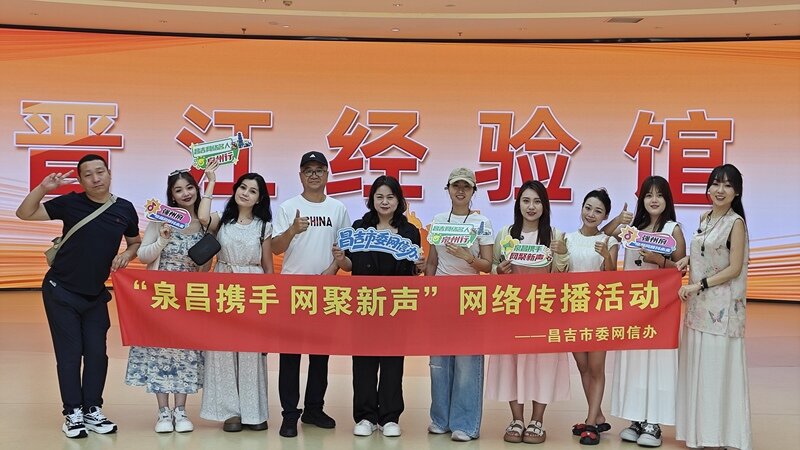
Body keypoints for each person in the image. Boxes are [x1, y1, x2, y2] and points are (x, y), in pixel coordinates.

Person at [15, 154, 141, 439]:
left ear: (109, 173)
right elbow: (24, 213)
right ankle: (72, 413)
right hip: (61, 290)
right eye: (88, 174)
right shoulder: (70, 203)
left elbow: (134, 242)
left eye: (100, 172)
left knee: (97, 355)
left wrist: (128, 254)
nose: (96, 178)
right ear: (81, 180)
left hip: (95, 295)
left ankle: (92, 409)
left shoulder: (124, 208)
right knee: (70, 356)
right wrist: (43, 188)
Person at [332, 176, 425, 438]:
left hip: (396, 307)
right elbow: (350, 265)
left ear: (399, 201)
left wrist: (419, 267)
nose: (385, 202)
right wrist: (341, 259)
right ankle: (365, 416)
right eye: (379, 197)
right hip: (365, 304)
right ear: (372, 200)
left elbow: (412, 271)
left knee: (393, 362)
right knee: (363, 361)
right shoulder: (359, 228)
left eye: (390, 197)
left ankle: (390, 417)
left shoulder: (409, 231)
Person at [271, 151, 351, 438]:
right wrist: (292, 230)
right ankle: (289, 414)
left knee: (320, 355)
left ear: (327, 174)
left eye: (319, 170)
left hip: (326, 289)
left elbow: (344, 250)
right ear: (300, 175)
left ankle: (314, 409)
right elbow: (276, 248)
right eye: (308, 170)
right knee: (290, 356)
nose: (314, 175)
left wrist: (332, 270)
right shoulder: (288, 207)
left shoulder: (338, 208)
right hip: (293, 289)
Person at [603, 176, 686, 448]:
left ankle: (655, 422)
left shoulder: (673, 229)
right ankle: (636, 418)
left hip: (661, 309)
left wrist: (658, 260)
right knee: (635, 362)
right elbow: (603, 234)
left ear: (667, 199)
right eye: (648, 195)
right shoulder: (632, 229)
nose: (654, 200)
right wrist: (620, 218)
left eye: (659, 195)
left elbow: (681, 268)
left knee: (658, 363)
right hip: (634, 307)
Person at [486, 180, 570, 445]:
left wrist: (563, 254)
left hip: (543, 312)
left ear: (545, 206)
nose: (531, 207)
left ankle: (537, 420)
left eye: (537, 201)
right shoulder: (505, 234)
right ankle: (516, 419)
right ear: (518, 204)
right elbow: (493, 267)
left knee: (542, 365)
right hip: (511, 311)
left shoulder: (555, 236)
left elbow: (562, 276)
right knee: (511, 364)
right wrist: (498, 271)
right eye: (526, 201)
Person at [125, 168, 208, 433]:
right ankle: (163, 412)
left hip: (190, 299)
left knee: (185, 352)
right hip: (160, 297)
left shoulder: (205, 223)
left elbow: (205, 267)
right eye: (178, 190)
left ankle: (181, 411)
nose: (186, 194)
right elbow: (144, 256)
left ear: (196, 190)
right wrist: (162, 239)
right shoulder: (160, 220)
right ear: (171, 195)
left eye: (189, 187)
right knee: (159, 351)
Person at [675, 164, 751, 450]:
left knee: (717, 373)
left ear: (737, 192)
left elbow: (734, 268)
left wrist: (700, 284)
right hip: (697, 309)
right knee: (699, 371)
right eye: (716, 184)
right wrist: (688, 260)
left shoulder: (736, 223)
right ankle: (700, 434)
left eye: (728, 185)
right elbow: (706, 251)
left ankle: (721, 436)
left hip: (722, 312)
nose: (720, 190)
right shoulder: (704, 218)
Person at [198, 165, 274, 432]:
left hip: (253, 290)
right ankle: (230, 412)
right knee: (222, 350)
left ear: (259, 199)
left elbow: (268, 266)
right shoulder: (221, 220)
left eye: (253, 191)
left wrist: (269, 305)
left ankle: (254, 412)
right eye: (242, 187)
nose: (245, 193)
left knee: (251, 351)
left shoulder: (264, 226)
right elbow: (202, 216)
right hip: (223, 287)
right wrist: (211, 181)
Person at [424, 167, 494, 442]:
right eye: (456, 186)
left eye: (466, 186)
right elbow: (432, 262)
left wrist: (468, 257)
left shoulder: (482, 223)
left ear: (474, 191)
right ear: (448, 189)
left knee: (467, 362)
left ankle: (465, 424)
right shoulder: (439, 221)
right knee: (438, 362)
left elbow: (487, 265)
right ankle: (440, 419)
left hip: (470, 298)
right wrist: (428, 291)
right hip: (441, 297)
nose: (461, 191)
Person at [566, 188, 619, 446]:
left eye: (598, 211)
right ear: (581, 208)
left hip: (599, 312)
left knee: (596, 368)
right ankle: (597, 416)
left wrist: (607, 256)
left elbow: (612, 278)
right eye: (588, 208)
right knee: (583, 366)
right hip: (573, 310)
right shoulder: (566, 239)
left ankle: (590, 422)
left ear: (605, 216)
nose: (591, 214)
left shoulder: (610, 242)